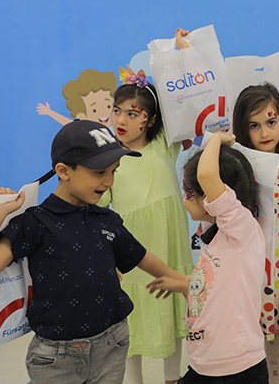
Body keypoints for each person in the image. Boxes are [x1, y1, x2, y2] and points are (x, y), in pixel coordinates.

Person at [0, 119, 185, 384]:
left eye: (114, 171)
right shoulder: (34, 223)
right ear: (63, 171)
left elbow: (142, 257)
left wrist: (184, 282)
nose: (109, 181)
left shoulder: (108, 220)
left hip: (112, 345)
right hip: (56, 358)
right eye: (99, 172)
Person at [98, 64, 193, 384]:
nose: (121, 120)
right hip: (130, 252)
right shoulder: (107, 159)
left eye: (133, 113)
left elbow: (182, 99)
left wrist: (182, 53)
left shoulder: (165, 142)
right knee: (131, 319)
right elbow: (99, 206)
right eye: (117, 111)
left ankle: (172, 377)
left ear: (151, 120)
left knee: (171, 309)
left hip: (168, 246)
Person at [148, 131, 268, 383]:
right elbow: (215, 287)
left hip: (238, 369)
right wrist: (183, 284)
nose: (185, 198)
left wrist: (215, 139)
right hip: (203, 363)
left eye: (190, 192)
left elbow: (206, 175)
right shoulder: (214, 233)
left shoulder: (242, 229)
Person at [232, 83, 279, 383]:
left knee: (275, 342)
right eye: (254, 125)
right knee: (245, 338)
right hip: (247, 269)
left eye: (271, 122)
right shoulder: (237, 167)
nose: (264, 132)